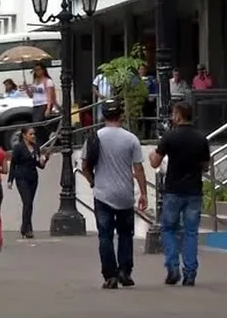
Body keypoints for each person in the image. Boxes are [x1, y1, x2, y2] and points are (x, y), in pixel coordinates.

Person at [80, 100, 148, 289]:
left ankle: (109, 275)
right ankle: (125, 271)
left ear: (103, 116)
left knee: (105, 236)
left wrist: (93, 181)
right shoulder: (131, 139)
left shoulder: (94, 137)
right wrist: (143, 193)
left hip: (103, 194)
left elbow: (85, 166)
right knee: (126, 234)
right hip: (125, 194)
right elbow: (139, 168)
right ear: (121, 115)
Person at [149, 102, 210, 287]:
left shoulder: (170, 137)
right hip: (194, 190)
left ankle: (173, 267)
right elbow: (205, 166)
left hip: (174, 190)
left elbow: (155, 163)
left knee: (168, 229)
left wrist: (152, 153)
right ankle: (190, 273)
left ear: (178, 115)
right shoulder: (201, 139)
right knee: (191, 232)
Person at [8, 126, 48, 239]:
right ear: (24, 135)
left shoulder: (36, 147)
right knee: (27, 202)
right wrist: (10, 179)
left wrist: (44, 160)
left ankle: (25, 226)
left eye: (34, 134)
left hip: (33, 177)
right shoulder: (18, 148)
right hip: (21, 177)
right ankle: (27, 227)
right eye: (30, 134)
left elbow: (39, 165)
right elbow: (13, 163)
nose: (33, 136)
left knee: (30, 203)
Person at [25, 61, 56, 145]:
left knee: (38, 123)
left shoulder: (48, 81)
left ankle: (46, 138)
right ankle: (44, 140)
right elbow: (31, 95)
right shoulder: (35, 81)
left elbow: (50, 95)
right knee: (37, 125)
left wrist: (48, 108)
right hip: (36, 105)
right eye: (35, 70)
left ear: (43, 70)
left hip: (44, 104)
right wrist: (27, 89)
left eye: (38, 70)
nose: (37, 72)